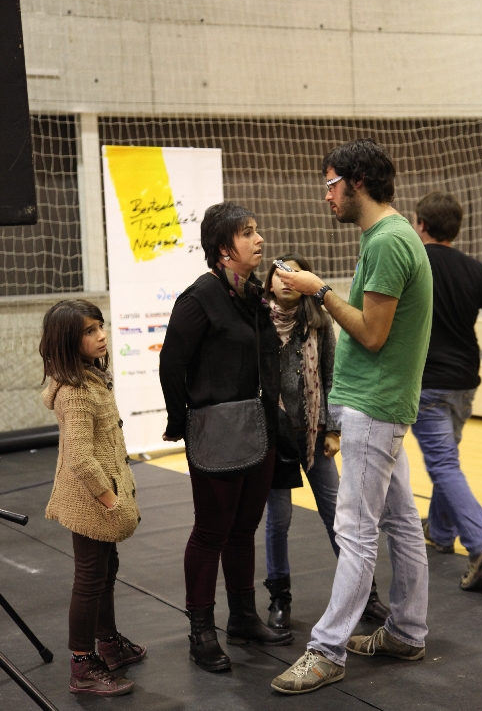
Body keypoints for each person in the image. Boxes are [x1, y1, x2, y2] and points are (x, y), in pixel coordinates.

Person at [271, 138, 433, 695]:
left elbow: (371, 333)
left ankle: (326, 650)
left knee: (355, 532)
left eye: (331, 184)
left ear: (357, 182)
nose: (326, 196)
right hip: (380, 403)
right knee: (401, 522)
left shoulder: (387, 241)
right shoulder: (387, 236)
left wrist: (318, 290)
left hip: (374, 406)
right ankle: (407, 631)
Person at [159, 201, 293, 674]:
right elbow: (171, 363)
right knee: (211, 531)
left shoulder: (253, 293)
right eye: (248, 233)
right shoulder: (199, 298)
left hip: (260, 430)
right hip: (216, 433)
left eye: (257, 230)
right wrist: (182, 421)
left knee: (243, 529)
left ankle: (243, 618)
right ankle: (201, 632)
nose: (259, 240)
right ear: (222, 249)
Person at [263, 253, 389, 629]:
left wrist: (333, 429)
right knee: (278, 520)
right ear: (268, 282)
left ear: (306, 282)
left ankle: (366, 596)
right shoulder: (257, 322)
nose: (287, 280)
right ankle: (279, 599)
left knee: (338, 517)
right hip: (276, 438)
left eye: (295, 274)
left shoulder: (318, 322)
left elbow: (332, 376)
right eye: (280, 274)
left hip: (315, 436)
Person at [40, 300, 145, 698]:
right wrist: (110, 501)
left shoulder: (91, 378)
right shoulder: (76, 392)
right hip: (90, 501)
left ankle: (109, 644)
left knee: (105, 568)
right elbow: (81, 458)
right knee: (88, 578)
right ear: (68, 341)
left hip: (98, 498)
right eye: (89, 331)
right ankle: (82, 666)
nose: (101, 335)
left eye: (100, 326)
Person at [412, 191, 482, 590]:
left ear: (421, 225)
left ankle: (481, 548)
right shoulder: (476, 269)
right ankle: (441, 530)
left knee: (444, 464)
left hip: (429, 382)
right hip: (465, 382)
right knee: (447, 459)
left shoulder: (415, 263)